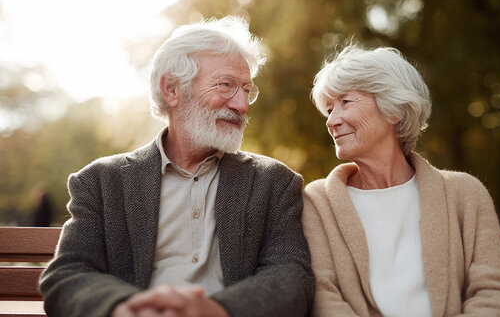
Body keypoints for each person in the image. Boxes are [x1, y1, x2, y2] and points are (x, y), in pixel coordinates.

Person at [39, 16, 314, 317]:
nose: (242, 105)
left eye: (246, 90)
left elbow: (291, 278)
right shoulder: (101, 182)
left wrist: (218, 310)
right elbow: (68, 273)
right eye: (226, 85)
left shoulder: (274, 182)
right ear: (172, 89)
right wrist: (124, 309)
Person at [302, 45, 500, 316]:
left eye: (345, 102)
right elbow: (323, 298)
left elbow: (498, 294)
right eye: (329, 109)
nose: (331, 121)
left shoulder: (464, 194)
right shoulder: (318, 202)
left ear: (394, 110)